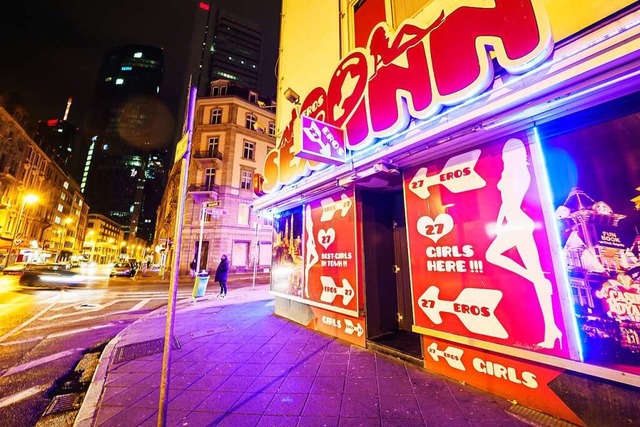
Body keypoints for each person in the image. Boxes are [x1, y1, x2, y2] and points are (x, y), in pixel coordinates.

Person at [485, 138, 562, 350]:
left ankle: (551, 330)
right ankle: (552, 329)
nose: (505, 156)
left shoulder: (520, 173)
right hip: (513, 223)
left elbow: (511, 203)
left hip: (519, 223)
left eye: (508, 152)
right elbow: (504, 204)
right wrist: (499, 223)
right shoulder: (509, 173)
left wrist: (505, 222)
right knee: (535, 277)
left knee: (494, 256)